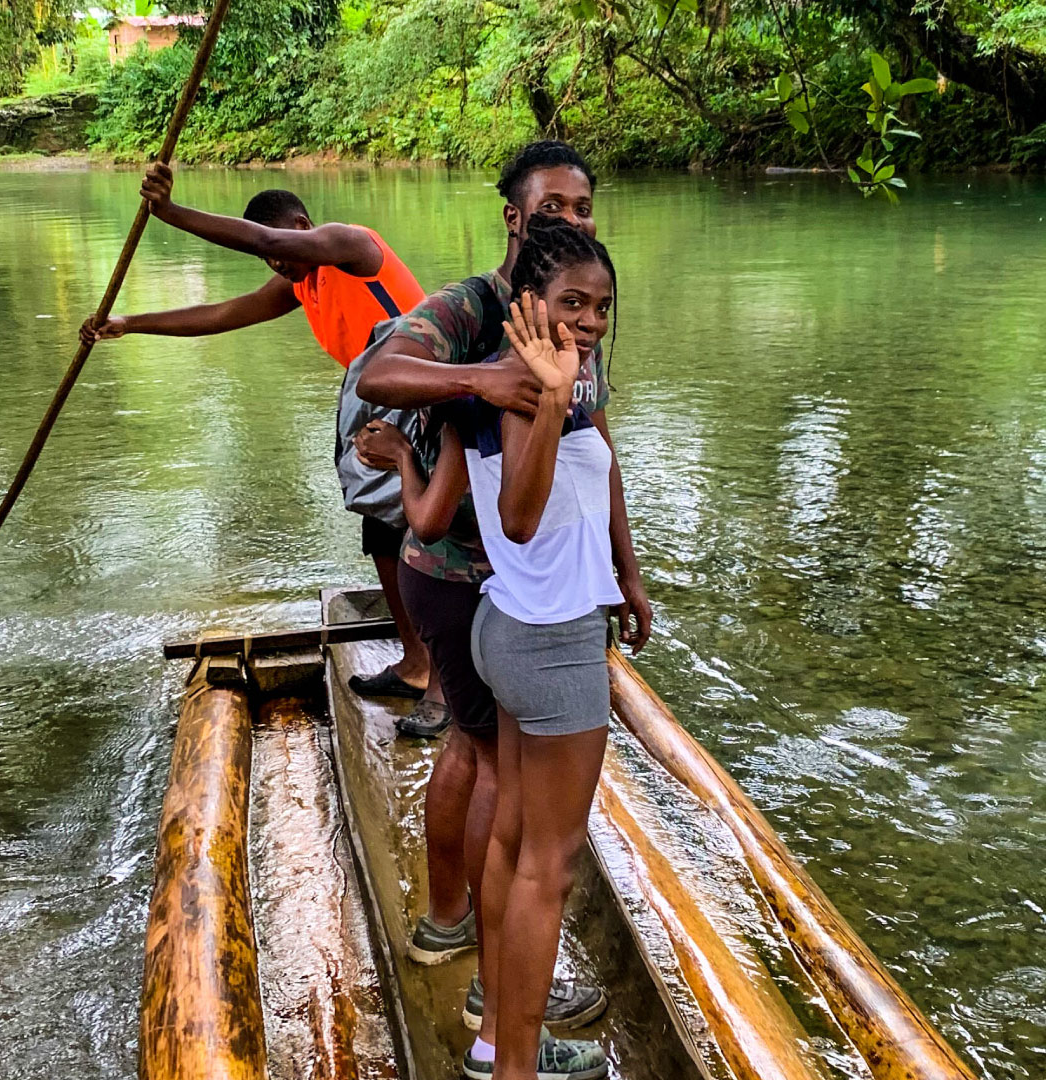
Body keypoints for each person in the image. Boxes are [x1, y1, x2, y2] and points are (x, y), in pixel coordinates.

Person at [362, 218, 639, 1080]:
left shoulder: (547, 377)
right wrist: (550, 402)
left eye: (601, 306)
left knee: (519, 851)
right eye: (571, 302)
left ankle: (495, 1045)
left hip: (512, 624)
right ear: (527, 304)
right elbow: (518, 517)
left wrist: (627, 576)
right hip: (550, 644)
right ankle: (516, 1064)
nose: (589, 320)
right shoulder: (526, 387)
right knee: (546, 872)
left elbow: (565, 497)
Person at [79, 165, 440, 709]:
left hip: (420, 391)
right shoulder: (301, 283)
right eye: (270, 261)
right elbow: (224, 313)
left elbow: (266, 240)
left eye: (281, 249)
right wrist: (131, 323)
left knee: (410, 529)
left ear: (302, 227)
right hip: (380, 399)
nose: (276, 262)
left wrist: (169, 212)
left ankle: (435, 671)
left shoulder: (351, 246)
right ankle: (418, 662)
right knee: (383, 532)